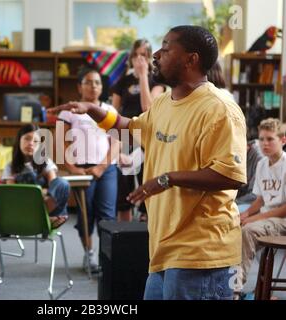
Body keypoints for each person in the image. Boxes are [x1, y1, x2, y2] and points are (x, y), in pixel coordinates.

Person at [53, 25, 247, 299]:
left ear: (191, 59)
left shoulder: (219, 109)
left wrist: (168, 178)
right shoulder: (164, 103)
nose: (156, 54)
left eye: (166, 48)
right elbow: (129, 128)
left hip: (202, 253)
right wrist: (94, 110)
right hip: (163, 251)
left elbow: (231, 175)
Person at [57, 67, 119, 273]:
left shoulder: (109, 111)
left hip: (106, 170)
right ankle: (89, 255)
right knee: (86, 215)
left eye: (97, 82)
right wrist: (73, 168)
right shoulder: (68, 112)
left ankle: (106, 257)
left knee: (107, 215)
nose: (93, 86)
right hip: (81, 171)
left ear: (102, 87)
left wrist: (102, 166)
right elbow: (60, 143)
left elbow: (117, 143)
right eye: (89, 82)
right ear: (79, 86)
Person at [111, 38, 165, 222]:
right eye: (136, 55)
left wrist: (143, 76)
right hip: (125, 139)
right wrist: (115, 146)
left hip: (148, 141)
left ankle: (145, 239)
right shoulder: (123, 81)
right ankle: (124, 240)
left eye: (143, 55)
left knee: (147, 192)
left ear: (150, 57)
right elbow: (114, 114)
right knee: (124, 195)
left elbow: (147, 108)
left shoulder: (157, 81)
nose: (139, 59)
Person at [235, 118, 286, 298]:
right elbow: (260, 199)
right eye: (262, 139)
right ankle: (230, 283)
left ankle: (235, 288)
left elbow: (284, 209)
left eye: (270, 139)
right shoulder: (262, 164)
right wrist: (245, 213)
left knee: (248, 230)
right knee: (232, 223)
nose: (265, 143)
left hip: (282, 220)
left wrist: (253, 218)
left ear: (283, 140)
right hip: (267, 218)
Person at [1, 124, 70, 229]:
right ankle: (42, 216)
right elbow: (12, 192)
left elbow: (54, 185)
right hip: (24, 206)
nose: (30, 143)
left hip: (48, 204)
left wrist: (44, 194)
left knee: (62, 183)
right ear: (19, 140)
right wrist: (38, 192)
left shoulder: (45, 162)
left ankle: (46, 215)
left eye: (35, 141)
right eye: (27, 139)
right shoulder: (10, 167)